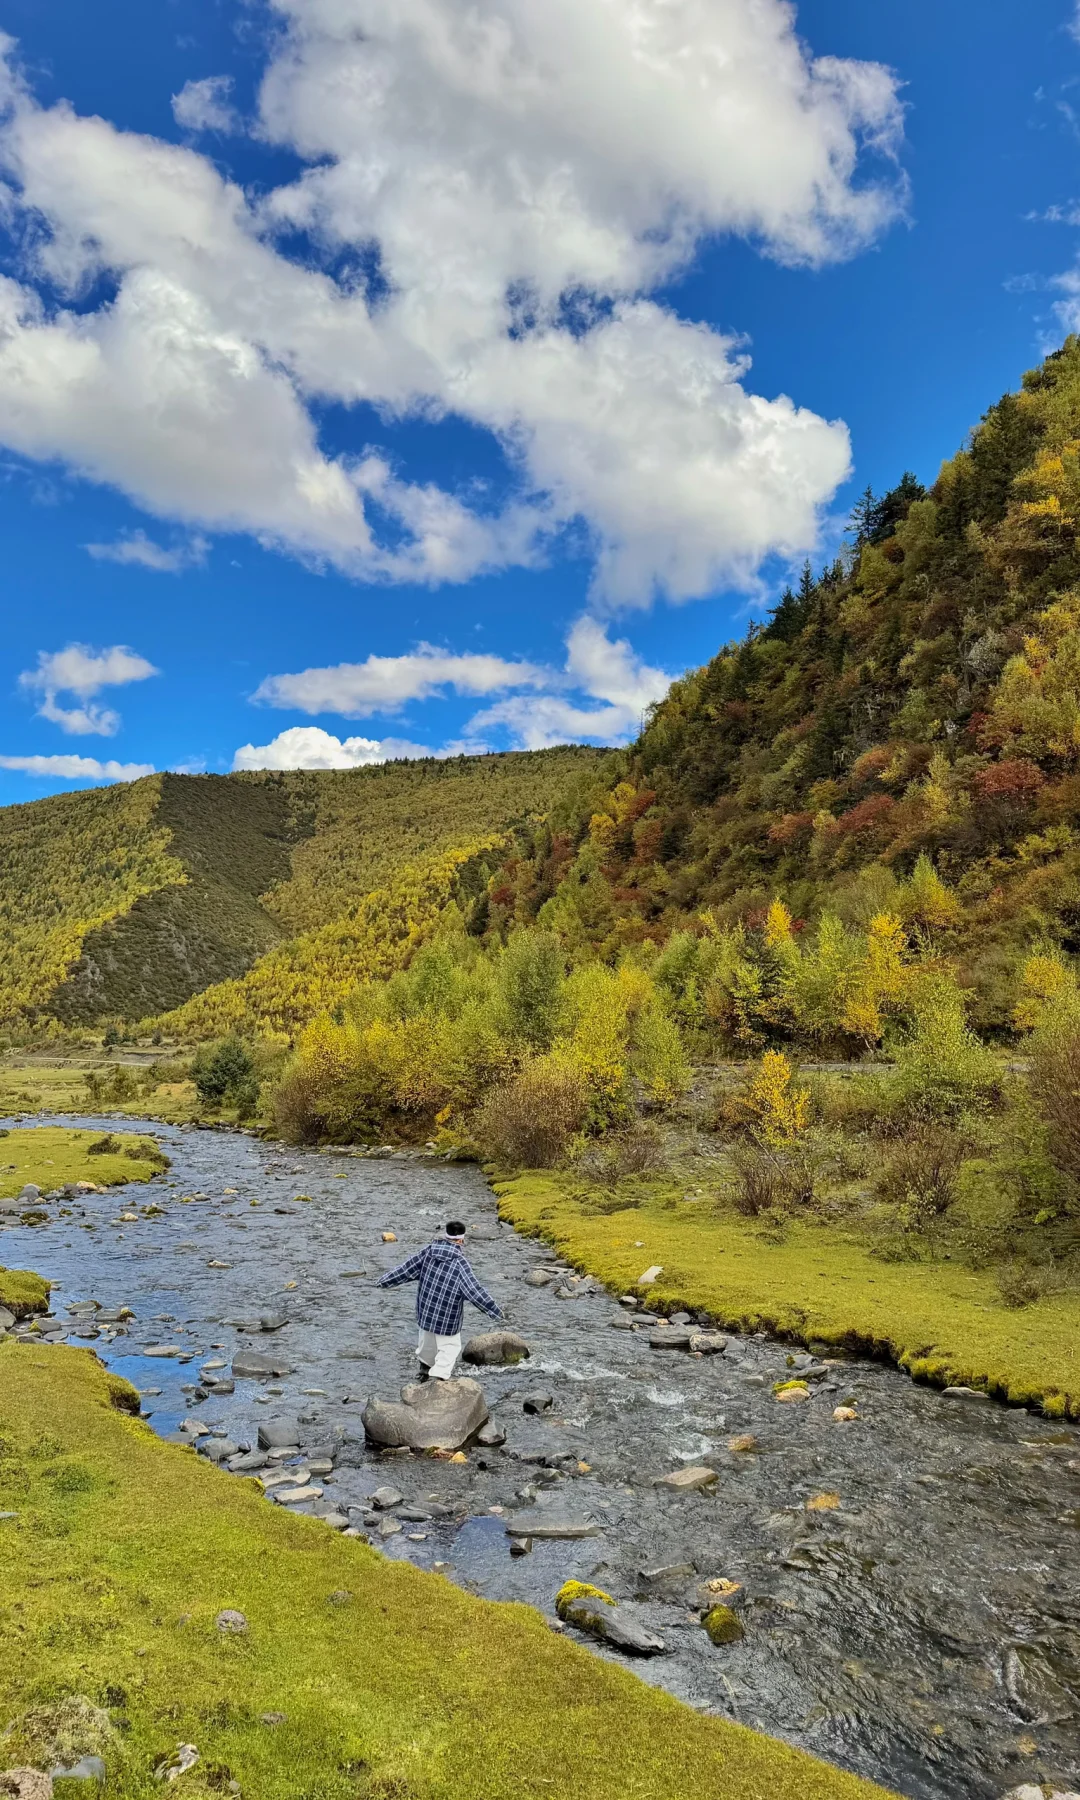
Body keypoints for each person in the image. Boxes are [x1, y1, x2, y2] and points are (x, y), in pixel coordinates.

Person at [377, 1220, 503, 1381]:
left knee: (426, 1343)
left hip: (426, 1310)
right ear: (460, 1240)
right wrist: (495, 1312)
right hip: (447, 1316)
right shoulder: (459, 1263)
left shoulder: (428, 1251)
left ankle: (424, 1370)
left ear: (446, 1236)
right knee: (450, 1347)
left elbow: (405, 1269)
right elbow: (474, 1291)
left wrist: (383, 1281)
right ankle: (439, 1378)